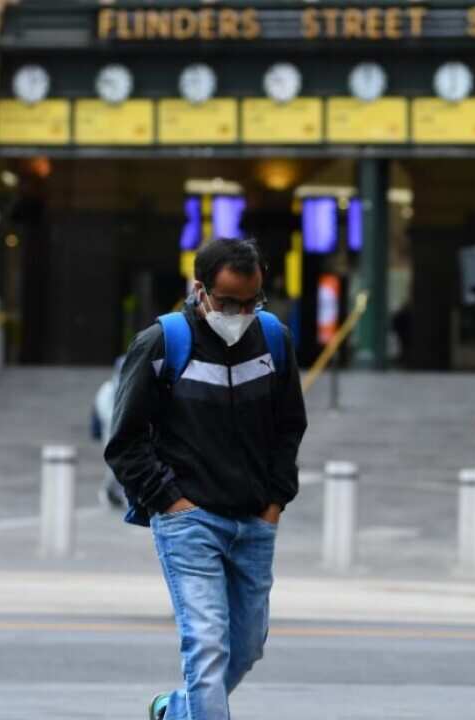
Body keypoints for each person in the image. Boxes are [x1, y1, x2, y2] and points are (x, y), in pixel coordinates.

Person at [106, 238, 307, 720]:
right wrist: (170, 502)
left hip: (255, 522)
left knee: (245, 649)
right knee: (208, 647)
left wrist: (275, 501)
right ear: (200, 290)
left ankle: (174, 712)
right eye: (228, 301)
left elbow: (289, 426)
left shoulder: (274, 339)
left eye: (251, 302)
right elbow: (125, 441)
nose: (239, 313)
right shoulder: (163, 342)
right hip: (189, 521)